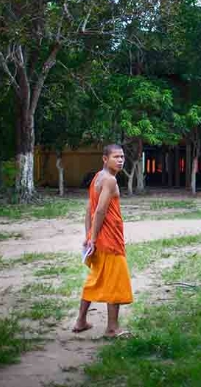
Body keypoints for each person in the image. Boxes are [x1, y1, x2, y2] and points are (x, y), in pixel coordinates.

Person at [72, 144, 133, 338]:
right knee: (115, 280)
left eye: (122, 157)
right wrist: (94, 237)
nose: (121, 160)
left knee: (95, 279)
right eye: (116, 157)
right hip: (109, 240)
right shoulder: (110, 180)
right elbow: (98, 210)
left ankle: (81, 321)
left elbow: (89, 208)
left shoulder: (97, 177)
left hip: (100, 238)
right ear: (105, 159)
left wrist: (89, 235)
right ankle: (112, 328)